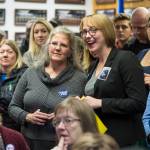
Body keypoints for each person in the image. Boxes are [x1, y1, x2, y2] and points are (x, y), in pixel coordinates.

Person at [8, 26, 87, 150]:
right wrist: (27, 116)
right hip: (27, 143)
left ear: (70, 51)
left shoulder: (80, 78)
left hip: (63, 144)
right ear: (48, 46)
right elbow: (13, 107)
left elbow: (85, 115)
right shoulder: (30, 72)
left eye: (63, 45)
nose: (57, 48)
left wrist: (64, 118)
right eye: (54, 43)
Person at [80, 14, 147, 148]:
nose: (87, 35)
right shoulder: (94, 65)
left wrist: (100, 103)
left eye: (93, 30)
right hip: (101, 141)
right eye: (84, 32)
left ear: (106, 31)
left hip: (126, 142)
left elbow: (138, 102)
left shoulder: (126, 59)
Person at [0, 40, 27, 131]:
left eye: (9, 52)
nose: (5, 55)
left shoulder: (24, 74)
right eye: (2, 52)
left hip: (15, 127)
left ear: (17, 55)